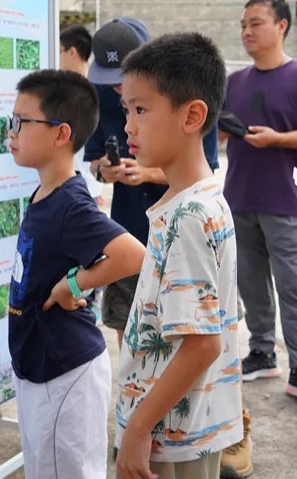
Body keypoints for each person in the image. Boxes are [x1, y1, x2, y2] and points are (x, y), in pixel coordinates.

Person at [113, 32, 242, 479]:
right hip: (188, 428)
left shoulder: (189, 214)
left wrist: (137, 428)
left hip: (166, 440)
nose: (128, 125)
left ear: (192, 115)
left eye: (141, 109)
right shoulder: (200, 200)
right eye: (126, 109)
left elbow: (202, 343)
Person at [7, 69, 146, 478]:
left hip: (65, 372)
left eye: (21, 122)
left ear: (60, 133)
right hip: (39, 365)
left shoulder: (70, 202)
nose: (10, 131)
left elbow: (132, 254)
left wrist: (73, 284)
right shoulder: (46, 191)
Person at [221, 0, 297, 410]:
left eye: (255, 23)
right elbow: (217, 136)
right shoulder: (233, 82)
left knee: (293, 287)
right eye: (243, 25)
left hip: (287, 199)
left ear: (281, 26)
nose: (247, 31)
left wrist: (278, 140)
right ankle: (262, 351)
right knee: (250, 284)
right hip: (238, 196)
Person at [84, 17, 220, 346]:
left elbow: (206, 168)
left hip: (177, 233)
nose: (130, 124)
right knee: (130, 333)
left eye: (140, 109)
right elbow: (94, 163)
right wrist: (106, 171)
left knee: (184, 334)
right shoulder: (102, 97)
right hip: (129, 233)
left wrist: (146, 174)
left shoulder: (187, 95)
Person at [59, 24, 104, 203]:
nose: (57, 56)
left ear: (72, 52)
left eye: (59, 50)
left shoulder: (83, 93)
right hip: (83, 186)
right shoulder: (94, 90)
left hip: (81, 188)